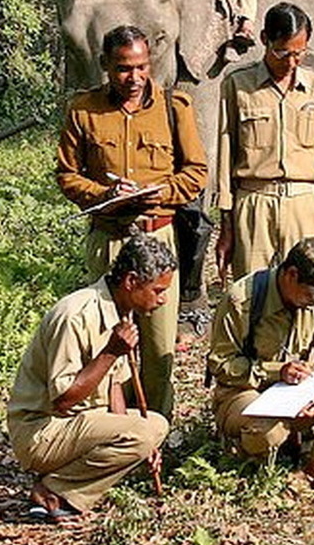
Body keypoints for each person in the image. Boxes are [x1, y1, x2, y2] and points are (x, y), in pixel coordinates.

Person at [56, 25, 208, 418]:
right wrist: (104, 196)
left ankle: (155, 428)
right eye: (124, 69)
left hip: (159, 240)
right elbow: (67, 176)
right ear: (106, 65)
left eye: (142, 67)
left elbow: (196, 173)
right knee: (109, 339)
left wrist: (162, 192)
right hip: (110, 238)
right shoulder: (83, 110)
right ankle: (109, 427)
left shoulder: (175, 108)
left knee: (158, 348)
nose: (135, 78)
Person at [7, 235, 174, 520]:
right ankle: (53, 491)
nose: (163, 299)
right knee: (152, 427)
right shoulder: (75, 315)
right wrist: (110, 353)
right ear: (131, 282)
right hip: (41, 430)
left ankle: (60, 485)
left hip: (75, 424)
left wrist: (137, 442)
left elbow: (114, 389)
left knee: (150, 427)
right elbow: (62, 401)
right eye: (157, 290)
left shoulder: (123, 312)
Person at [207, 237, 314, 500]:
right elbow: (220, 363)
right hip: (245, 395)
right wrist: (276, 371)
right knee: (266, 429)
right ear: (291, 275)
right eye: (311, 295)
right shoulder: (244, 299)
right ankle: (251, 459)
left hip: (302, 394)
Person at [214, 2, 314, 283]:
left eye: (299, 54)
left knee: (310, 291)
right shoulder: (237, 85)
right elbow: (225, 157)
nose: (290, 62)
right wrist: (226, 228)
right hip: (253, 205)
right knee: (252, 295)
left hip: (305, 206)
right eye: (282, 52)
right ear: (264, 40)